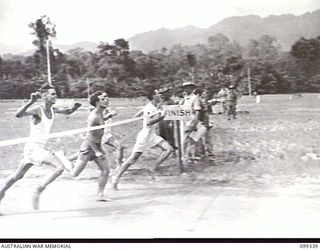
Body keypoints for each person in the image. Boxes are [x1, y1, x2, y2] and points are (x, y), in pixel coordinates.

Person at [0, 84, 81, 211]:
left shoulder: (53, 110)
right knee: (60, 167)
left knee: (17, 176)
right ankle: (37, 190)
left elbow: (68, 111)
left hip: (35, 148)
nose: (56, 96)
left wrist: (75, 107)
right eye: (53, 94)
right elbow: (18, 115)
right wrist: (31, 102)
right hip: (34, 148)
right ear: (44, 95)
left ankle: (1, 192)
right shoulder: (38, 109)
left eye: (55, 93)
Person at [112, 93, 174, 190]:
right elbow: (149, 122)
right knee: (133, 159)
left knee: (169, 149)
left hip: (152, 135)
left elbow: (137, 115)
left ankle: (153, 167)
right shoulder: (150, 107)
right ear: (153, 97)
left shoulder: (152, 106)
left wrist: (145, 115)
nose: (160, 96)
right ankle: (116, 177)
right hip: (145, 136)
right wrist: (161, 116)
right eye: (158, 94)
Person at [60, 91, 112, 202]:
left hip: (97, 146)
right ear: (97, 102)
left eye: (107, 97)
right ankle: (62, 157)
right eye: (103, 98)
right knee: (74, 173)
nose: (107, 99)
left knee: (106, 170)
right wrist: (96, 151)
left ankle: (100, 195)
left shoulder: (100, 113)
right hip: (90, 147)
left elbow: (100, 123)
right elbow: (89, 135)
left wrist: (108, 116)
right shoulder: (93, 116)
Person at [180, 82, 204, 163]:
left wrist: (194, 124)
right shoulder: (184, 99)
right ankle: (191, 157)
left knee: (188, 140)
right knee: (190, 140)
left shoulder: (195, 98)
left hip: (191, 121)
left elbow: (198, 112)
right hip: (184, 121)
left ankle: (188, 158)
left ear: (192, 88)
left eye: (188, 87)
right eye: (184, 88)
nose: (185, 89)